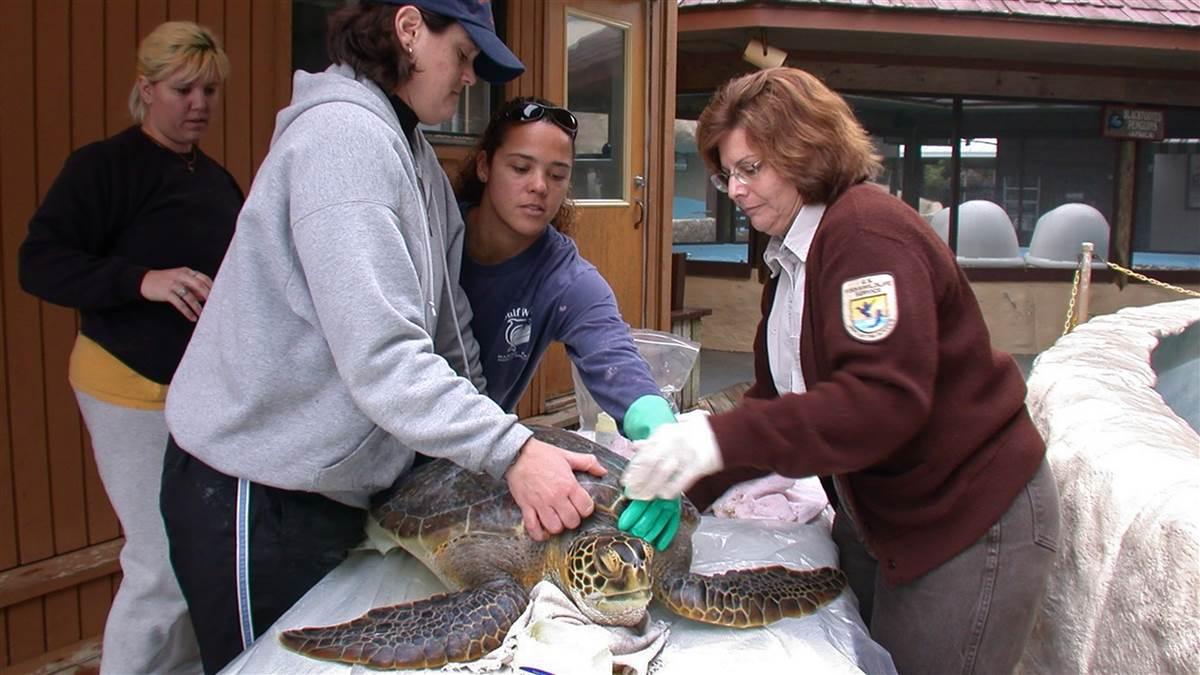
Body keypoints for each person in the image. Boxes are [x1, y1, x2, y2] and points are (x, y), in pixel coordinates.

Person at [157, 3, 604, 672]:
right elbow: (384, 359)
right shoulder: (344, 140)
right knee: (274, 663)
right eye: (463, 54)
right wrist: (511, 451)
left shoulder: (413, 151)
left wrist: (484, 460)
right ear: (408, 28)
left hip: (330, 485)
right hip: (255, 484)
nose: (471, 77)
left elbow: (450, 334)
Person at [621, 67, 1060, 675]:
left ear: (806, 150)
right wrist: (678, 484)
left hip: (966, 514)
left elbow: (881, 402)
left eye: (754, 168)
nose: (738, 191)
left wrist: (710, 440)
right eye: (728, 175)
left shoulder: (866, 235)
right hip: (879, 508)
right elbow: (779, 400)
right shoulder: (792, 257)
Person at [17, 20, 240, 675]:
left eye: (209, 90)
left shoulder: (215, 179)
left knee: (202, 552)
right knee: (161, 558)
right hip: (125, 387)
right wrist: (139, 280)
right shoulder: (103, 168)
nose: (198, 103)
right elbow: (39, 261)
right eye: (182, 89)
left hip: (198, 395)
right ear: (146, 90)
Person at [455, 96, 682, 551]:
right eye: (521, 168)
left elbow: (613, 358)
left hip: (473, 463)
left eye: (557, 175)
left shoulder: (564, 278)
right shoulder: (431, 237)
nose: (539, 186)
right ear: (484, 166)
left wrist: (660, 433)